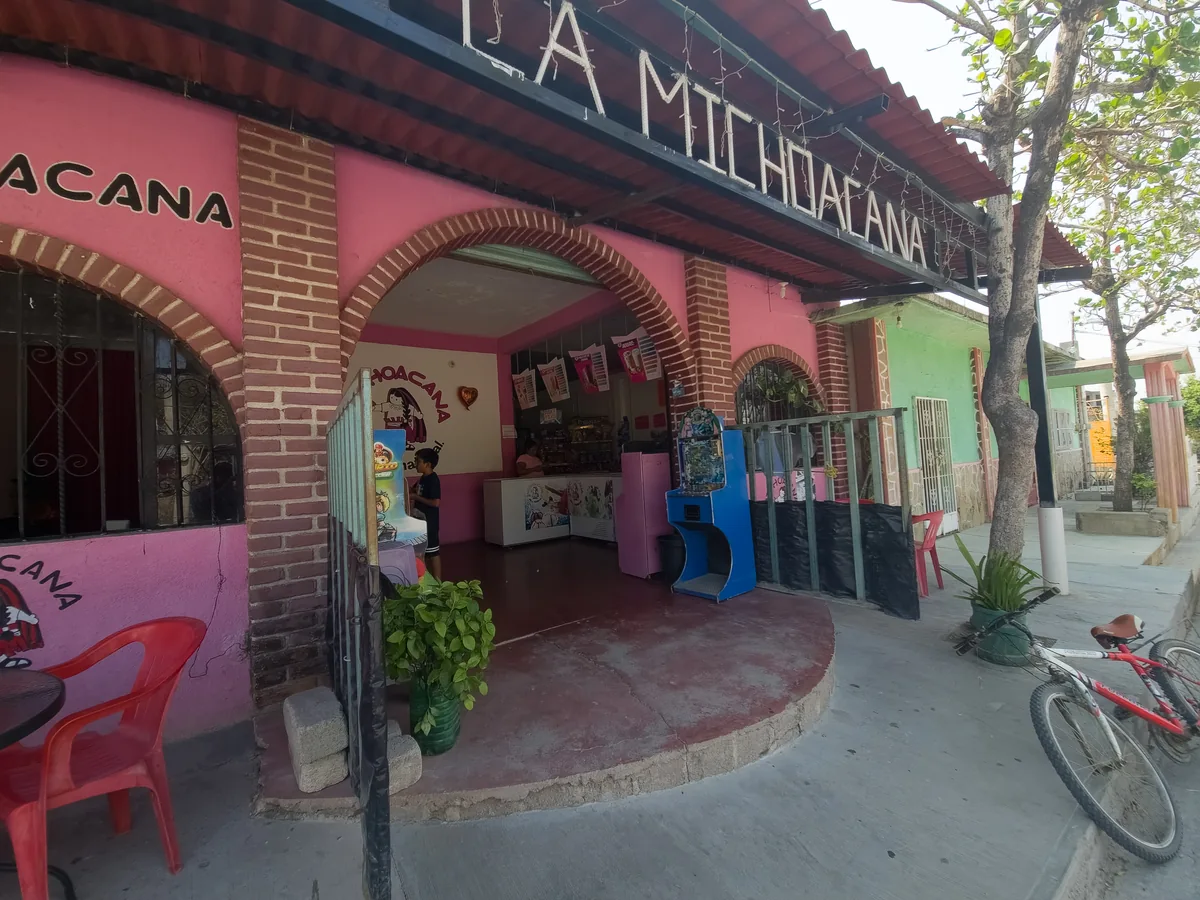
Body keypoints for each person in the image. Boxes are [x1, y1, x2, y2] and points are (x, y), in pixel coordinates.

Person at [409, 448, 442, 581]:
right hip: (420, 521)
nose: (416, 464)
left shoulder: (433, 480)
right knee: (423, 552)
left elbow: (435, 502)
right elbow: (414, 490)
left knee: (433, 553)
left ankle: (439, 583)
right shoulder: (422, 479)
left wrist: (415, 497)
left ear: (427, 464)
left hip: (430, 522)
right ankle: (426, 580)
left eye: (418, 461)